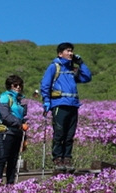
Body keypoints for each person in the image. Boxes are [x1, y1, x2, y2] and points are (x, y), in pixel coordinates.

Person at [41, 42, 92, 173]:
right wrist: (47, 101)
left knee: (70, 135)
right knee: (59, 133)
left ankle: (67, 159)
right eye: (68, 51)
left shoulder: (72, 69)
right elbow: (45, 85)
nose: (71, 53)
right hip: (59, 105)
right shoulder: (54, 67)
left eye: (71, 51)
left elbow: (87, 77)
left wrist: (81, 63)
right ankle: (57, 158)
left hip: (73, 105)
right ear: (60, 53)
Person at [0, 75, 28, 184]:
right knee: (3, 158)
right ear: (10, 86)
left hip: (17, 132)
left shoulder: (18, 99)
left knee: (13, 160)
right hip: (7, 131)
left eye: (20, 85)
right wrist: (19, 123)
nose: (18, 87)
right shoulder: (5, 97)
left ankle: (10, 184)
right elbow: (5, 116)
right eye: (15, 85)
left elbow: (21, 116)